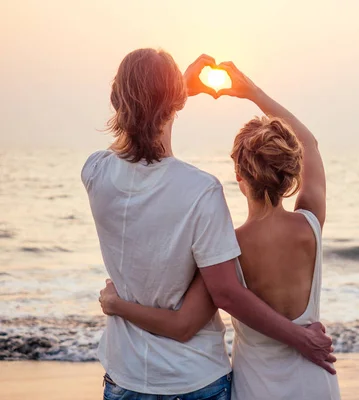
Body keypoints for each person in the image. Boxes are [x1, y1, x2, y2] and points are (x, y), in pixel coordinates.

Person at [83, 48, 335, 400]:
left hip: (235, 384)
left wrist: (116, 305)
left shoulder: (95, 172)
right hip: (304, 380)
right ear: (291, 170)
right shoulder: (308, 225)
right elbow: (309, 143)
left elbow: (207, 307)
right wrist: (252, 92)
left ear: (238, 174)